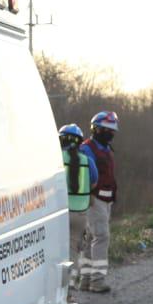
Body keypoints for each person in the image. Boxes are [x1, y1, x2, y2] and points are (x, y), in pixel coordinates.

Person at [80, 110, 119, 293]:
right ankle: (97, 281)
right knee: (102, 237)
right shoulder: (87, 148)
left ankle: (86, 280)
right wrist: (89, 196)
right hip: (94, 199)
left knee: (91, 239)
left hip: (106, 200)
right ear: (96, 129)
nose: (111, 134)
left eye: (112, 131)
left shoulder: (106, 149)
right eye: (107, 130)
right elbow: (85, 176)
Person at [59, 123, 98, 290]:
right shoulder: (87, 161)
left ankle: (54, 289)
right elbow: (94, 182)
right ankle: (69, 289)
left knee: (55, 253)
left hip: (58, 214)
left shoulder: (55, 158)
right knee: (73, 252)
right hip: (80, 215)